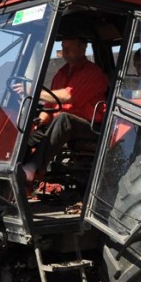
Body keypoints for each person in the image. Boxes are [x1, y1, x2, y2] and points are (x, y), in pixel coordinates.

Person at [22, 37, 107, 185]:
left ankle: (33, 167)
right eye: (63, 46)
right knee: (29, 135)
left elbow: (68, 96)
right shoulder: (60, 74)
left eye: (69, 47)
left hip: (92, 127)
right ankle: (18, 171)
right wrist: (38, 122)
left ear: (82, 48)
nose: (65, 50)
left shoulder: (92, 72)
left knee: (64, 119)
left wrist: (33, 92)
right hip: (62, 124)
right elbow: (50, 104)